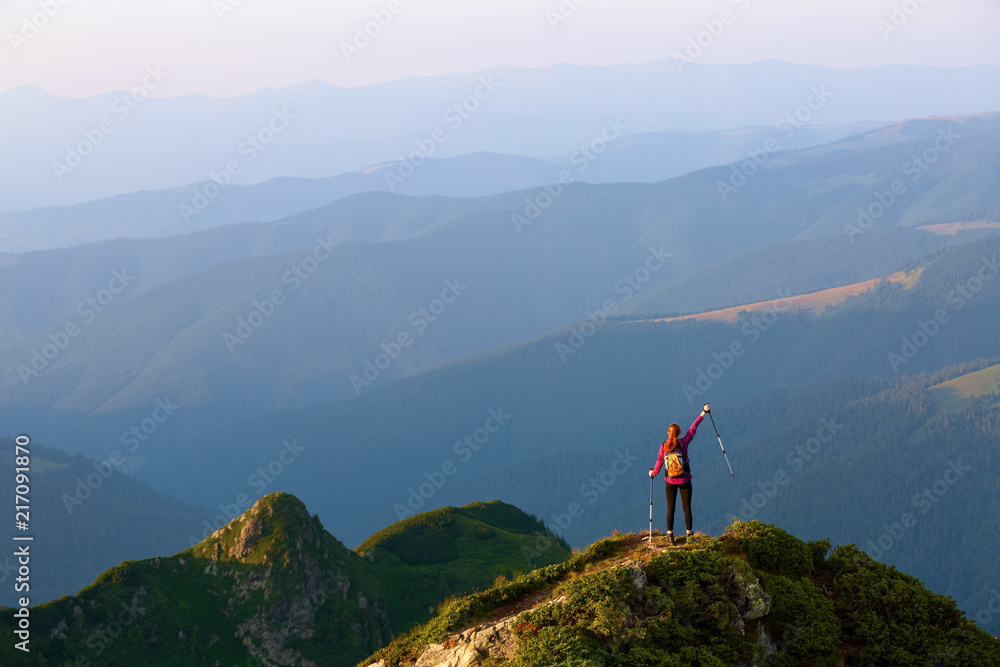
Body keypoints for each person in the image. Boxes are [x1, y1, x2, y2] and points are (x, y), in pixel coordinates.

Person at [649, 403, 709, 545]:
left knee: (671, 508)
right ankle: (690, 535)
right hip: (684, 480)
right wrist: (703, 412)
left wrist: (653, 473)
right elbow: (693, 429)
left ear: (669, 433)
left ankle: (670, 536)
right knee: (686, 507)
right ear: (679, 433)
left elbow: (659, 461)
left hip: (670, 481)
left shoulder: (663, 446)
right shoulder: (683, 443)